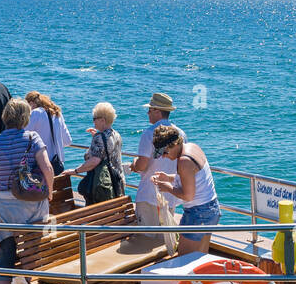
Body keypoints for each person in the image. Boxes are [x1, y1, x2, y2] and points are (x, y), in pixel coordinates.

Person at [0, 97, 54, 284]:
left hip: (4, 205)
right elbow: (47, 169)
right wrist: (49, 191)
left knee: (6, 251)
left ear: (5, 117)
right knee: (33, 249)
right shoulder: (32, 138)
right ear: (25, 118)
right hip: (31, 203)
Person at [149, 124, 220, 256]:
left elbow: (188, 196)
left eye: (165, 152)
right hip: (211, 209)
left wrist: (167, 188)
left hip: (197, 213)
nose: (164, 156)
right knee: (201, 257)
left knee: (184, 259)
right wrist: (168, 178)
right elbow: (191, 178)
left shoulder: (183, 161)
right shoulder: (192, 148)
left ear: (174, 145)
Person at [131, 92, 185, 247]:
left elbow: (142, 164)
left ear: (157, 111)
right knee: (164, 241)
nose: (147, 113)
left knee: (146, 240)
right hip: (170, 193)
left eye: (149, 109)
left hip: (149, 193)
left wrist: (134, 164)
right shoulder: (181, 133)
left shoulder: (149, 133)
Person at [72, 102, 124, 205]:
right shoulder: (116, 135)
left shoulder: (99, 137)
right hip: (117, 181)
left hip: (102, 185)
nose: (93, 122)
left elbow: (94, 161)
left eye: (94, 119)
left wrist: (76, 171)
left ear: (102, 120)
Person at [25, 91, 72, 176]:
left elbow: (23, 137)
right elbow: (67, 141)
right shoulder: (57, 114)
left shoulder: (35, 113)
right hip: (57, 167)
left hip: (41, 167)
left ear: (31, 103)